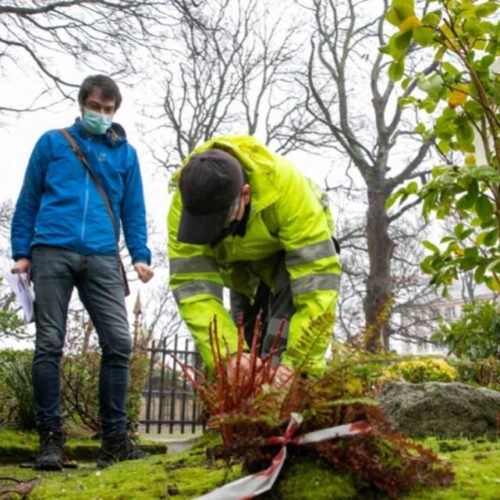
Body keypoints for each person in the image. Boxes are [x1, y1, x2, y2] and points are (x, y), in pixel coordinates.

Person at [10, 75, 154, 470]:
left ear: (116, 112)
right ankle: (51, 441)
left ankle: (114, 441)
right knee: (49, 343)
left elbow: (134, 209)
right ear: (81, 104)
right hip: (51, 249)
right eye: (95, 107)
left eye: (108, 110)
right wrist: (22, 252)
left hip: (103, 255)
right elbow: (28, 199)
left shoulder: (126, 155)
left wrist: (140, 254)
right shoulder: (52, 143)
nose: (101, 115)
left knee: (119, 342)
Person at [167, 135, 341, 382]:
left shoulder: (285, 189)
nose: (211, 231)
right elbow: (193, 288)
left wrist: (298, 365)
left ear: (245, 194)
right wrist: (228, 355)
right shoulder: (184, 204)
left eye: (218, 221)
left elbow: (316, 281)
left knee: (279, 353)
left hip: (289, 259)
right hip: (241, 272)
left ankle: (290, 402)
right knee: (243, 359)